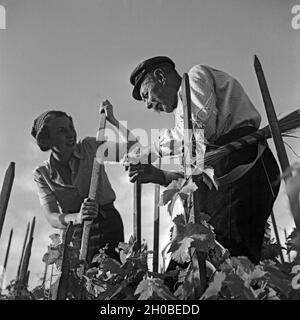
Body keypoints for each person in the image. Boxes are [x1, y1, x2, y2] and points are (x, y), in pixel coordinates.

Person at [126, 56, 280, 264]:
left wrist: (151, 150)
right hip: (225, 173)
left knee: (225, 255)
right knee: (201, 259)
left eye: (146, 95)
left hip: (241, 161)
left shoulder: (195, 78)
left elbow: (199, 129)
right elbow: (196, 176)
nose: (147, 105)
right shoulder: (182, 112)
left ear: (160, 77)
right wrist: (158, 175)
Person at [32, 106, 137, 263]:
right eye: (61, 131)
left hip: (107, 222)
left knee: (112, 274)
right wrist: (78, 217)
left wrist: (113, 120)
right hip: (76, 232)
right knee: (82, 279)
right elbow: (52, 217)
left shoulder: (90, 147)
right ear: (47, 140)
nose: (71, 134)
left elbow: (133, 148)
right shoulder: (43, 174)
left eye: (71, 127)